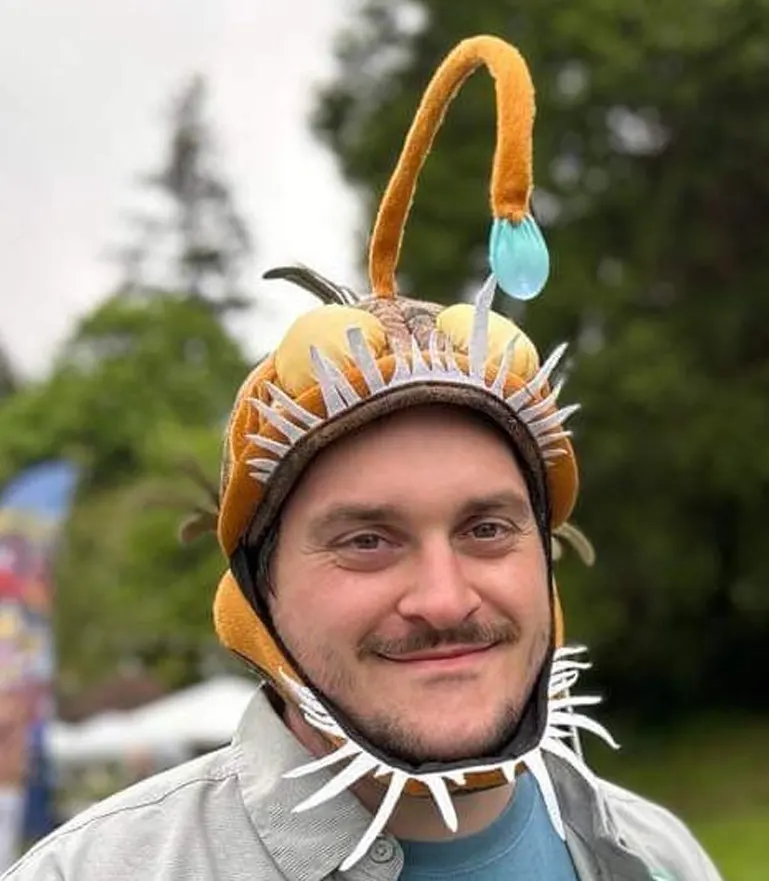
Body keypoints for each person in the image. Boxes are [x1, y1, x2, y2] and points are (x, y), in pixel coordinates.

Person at [3, 34, 723, 881]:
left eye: (487, 528)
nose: (444, 599)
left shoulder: (657, 856)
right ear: (258, 588)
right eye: (366, 540)